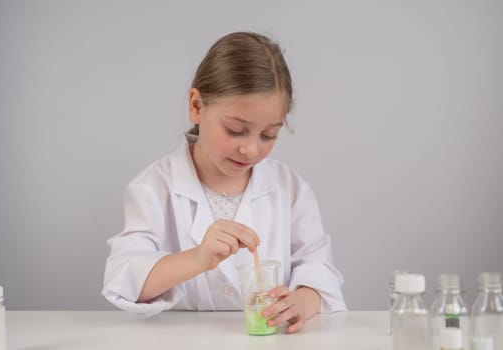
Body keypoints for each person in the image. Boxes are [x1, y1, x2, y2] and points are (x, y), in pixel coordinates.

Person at [102, 31, 346, 333]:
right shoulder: (153, 187)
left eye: (269, 135)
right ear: (197, 106)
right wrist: (197, 258)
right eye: (235, 130)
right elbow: (125, 280)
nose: (252, 150)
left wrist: (302, 302)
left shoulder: (290, 189)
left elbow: (319, 270)